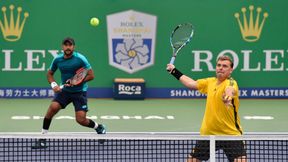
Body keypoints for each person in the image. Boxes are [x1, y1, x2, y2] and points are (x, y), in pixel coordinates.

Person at [166, 55, 246, 162]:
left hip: (230, 134)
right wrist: (174, 71)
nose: (220, 68)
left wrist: (227, 98)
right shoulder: (210, 82)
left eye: (225, 66)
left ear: (231, 70)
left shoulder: (231, 83)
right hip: (209, 134)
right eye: (218, 65)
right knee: (192, 160)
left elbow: (230, 90)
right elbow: (191, 83)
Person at [32, 37, 106, 149]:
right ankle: (43, 138)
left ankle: (98, 127)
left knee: (81, 120)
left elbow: (91, 75)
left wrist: (78, 81)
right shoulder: (57, 60)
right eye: (65, 45)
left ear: (73, 47)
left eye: (70, 45)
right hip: (65, 91)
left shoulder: (81, 59)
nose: (68, 47)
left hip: (79, 92)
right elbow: (50, 74)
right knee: (52, 108)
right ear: (62, 47)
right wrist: (54, 85)